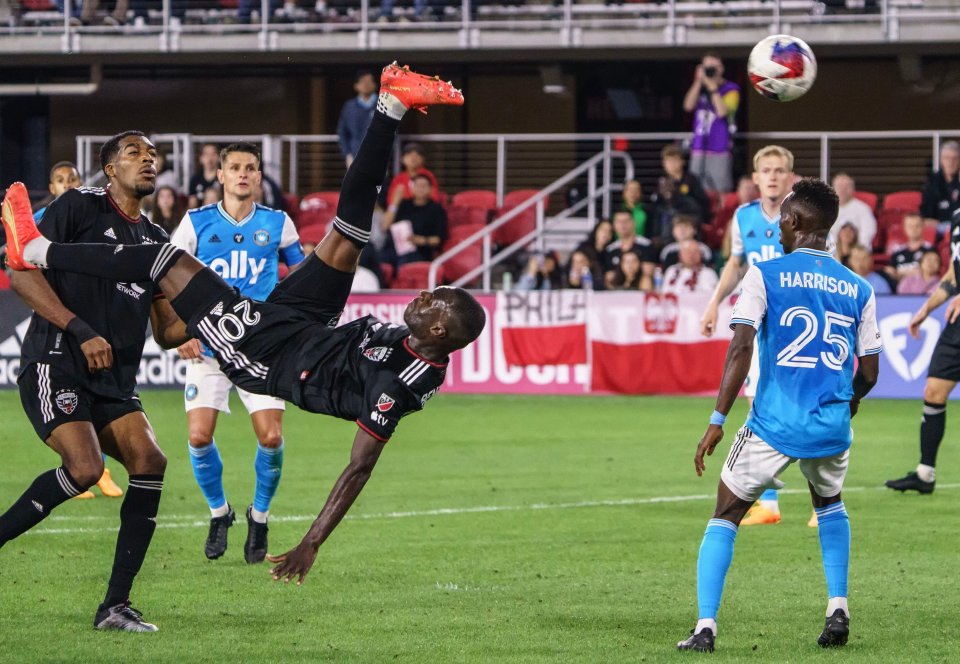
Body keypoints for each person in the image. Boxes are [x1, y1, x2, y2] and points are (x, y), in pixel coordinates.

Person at [3, 62, 479, 589]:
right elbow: (168, 332)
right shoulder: (417, 342)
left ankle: (39, 248)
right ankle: (391, 106)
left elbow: (358, 468)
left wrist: (311, 543)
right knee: (351, 231)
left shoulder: (398, 388)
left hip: (265, 352)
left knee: (161, 261)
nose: (423, 295)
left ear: (438, 333)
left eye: (433, 303)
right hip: (303, 322)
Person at [677, 179, 882, 653]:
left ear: (792, 222)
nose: (778, 225)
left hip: (774, 423)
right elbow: (869, 371)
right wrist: (846, 406)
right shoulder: (859, 287)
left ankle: (705, 627)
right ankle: (838, 608)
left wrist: (717, 417)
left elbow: (741, 346)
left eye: (783, 216)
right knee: (828, 504)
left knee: (725, 514)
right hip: (832, 426)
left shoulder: (765, 274)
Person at [0, 131, 189, 632]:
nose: (148, 160)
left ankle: (115, 606)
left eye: (153, 155)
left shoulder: (155, 241)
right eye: (134, 152)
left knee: (150, 461)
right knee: (84, 468)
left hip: (114, 380)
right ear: (109, 168)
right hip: (57, 361)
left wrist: (211, 316)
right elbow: (18, 269)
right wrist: (80, 330)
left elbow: (167, 330)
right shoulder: (76, 208)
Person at [170, 142, 305, 564]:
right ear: (221, 175)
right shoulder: (195, 223)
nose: (243, 174)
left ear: (259, 177)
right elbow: (164, 277)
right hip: (208, 347)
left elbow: (300, 277)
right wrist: (179, 333)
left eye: (250, 168)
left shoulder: (278, 223)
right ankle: (219, 513)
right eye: (235, 168)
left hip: (261, 348)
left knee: (271, 436)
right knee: (198, 435)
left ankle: (259, 517)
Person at [700, 145, 800, 526]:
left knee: (804, 405)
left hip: (796, 325)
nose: (773, 176)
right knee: (759, 404)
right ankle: (770, 501)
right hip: (759, 328)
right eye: (766, 170)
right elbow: (736, 264)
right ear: (755, 178)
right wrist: (713, 303)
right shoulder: (743, 218)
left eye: (779, 170)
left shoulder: (802, 216)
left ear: (790, 177)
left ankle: (823, 499)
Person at [30, 161, 126, 502]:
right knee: (65, 402)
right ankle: (82, 470)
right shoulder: (43, 221)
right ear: (52, 188)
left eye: (72, 178)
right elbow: (23, 266)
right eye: (60, 180)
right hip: (58, 322)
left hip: (93, 320)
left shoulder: (90, 218)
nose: (68, 183)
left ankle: (94, 470)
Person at [885, 210, 960, 495]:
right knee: (934, 392)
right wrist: (926, 309)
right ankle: (925, 474)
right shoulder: (956, 217)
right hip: (957, 320)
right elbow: (955, 273)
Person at [683, 52, 740, 194]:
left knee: (720, 191)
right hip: (698, 147)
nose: (710, 71)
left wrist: (713, 88)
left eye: (713, 67)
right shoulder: (700, 88)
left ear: (721, 69)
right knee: (695, 191)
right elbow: (688, 106)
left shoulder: (731, 89)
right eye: (707, 67)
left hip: (720, 149)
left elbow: (722, 112)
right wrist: (698, 81)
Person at [381, 173, 448, 267]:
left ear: (431, 189)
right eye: (416, 185)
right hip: (395, 248)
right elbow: (385, 226)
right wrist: (395, 202)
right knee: (377, 259)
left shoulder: (437, 209)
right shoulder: (404, 204)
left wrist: (422, 240)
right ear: (412, 188)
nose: (420, 188)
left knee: (404, 263)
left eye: (424, 186)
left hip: (419, 252)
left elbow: (439, 239)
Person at [650, 145, 712, 242]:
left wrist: (676, 197)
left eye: (674, 160)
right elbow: (657, 206)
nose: (671, 164)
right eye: (668, 161)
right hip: (668, 223)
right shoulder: (662, 181)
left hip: (689, 220)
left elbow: (701, 203)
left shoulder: (691, 180)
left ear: (682, 162)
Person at [603, 210, 656, 291]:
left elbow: (648, 272)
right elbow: (609, 277)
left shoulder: (646, 245)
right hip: (616, 291)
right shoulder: (611, 249)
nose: (622, 225)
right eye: (619, 221)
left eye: (626, 221)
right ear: (614, 225)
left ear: (633, 223)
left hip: (640, 288)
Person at [337, 71, 377, 169]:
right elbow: (342, 132)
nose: (366, 84)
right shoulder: (349, 106)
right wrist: (347, 154)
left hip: (377, 156)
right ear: (356, 86)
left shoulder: (383, 104)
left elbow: (392, 132)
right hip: (355, 155)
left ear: (375, 85)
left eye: (369, 81)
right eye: (363, 81)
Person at [920, 140, 960, 235]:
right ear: (941, 160)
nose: (950, 162)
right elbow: (926, 214)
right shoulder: (933, 181)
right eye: (947, 158)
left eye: (954, 158)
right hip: (939, 228)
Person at [385, 142, 440, 210]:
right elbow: (390, 202)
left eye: (417, 154)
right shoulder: (398, 178)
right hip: (403, 214)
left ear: (423, 160)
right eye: (409, 154)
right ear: (402, 159)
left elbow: (435, 199)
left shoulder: (428, 176)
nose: (413, 157)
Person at [828, 173, 876, 249]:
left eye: (847, 186)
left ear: (853, 189)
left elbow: (867, 234)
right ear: (833, 188)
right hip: (830, 252)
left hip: (856, 253)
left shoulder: (863, 209)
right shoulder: (826, 209)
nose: (843, 190)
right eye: (839, 186)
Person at [886, 212, 933, 283]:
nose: (914, 229)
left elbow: (927, 272)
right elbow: (890, 271)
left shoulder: (930, 250)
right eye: (910, 226)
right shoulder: (897, 252)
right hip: (898, 291)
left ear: (923, 227)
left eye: (917, 226)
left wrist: (900, 274)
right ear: (904, 228)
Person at [188, 143, 220, 209]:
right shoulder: (195, 179)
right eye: (206, 154)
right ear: (200, 158)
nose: (209, 158)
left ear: (219, 157)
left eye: (213, 154)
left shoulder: (225, 178)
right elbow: (192, 205)